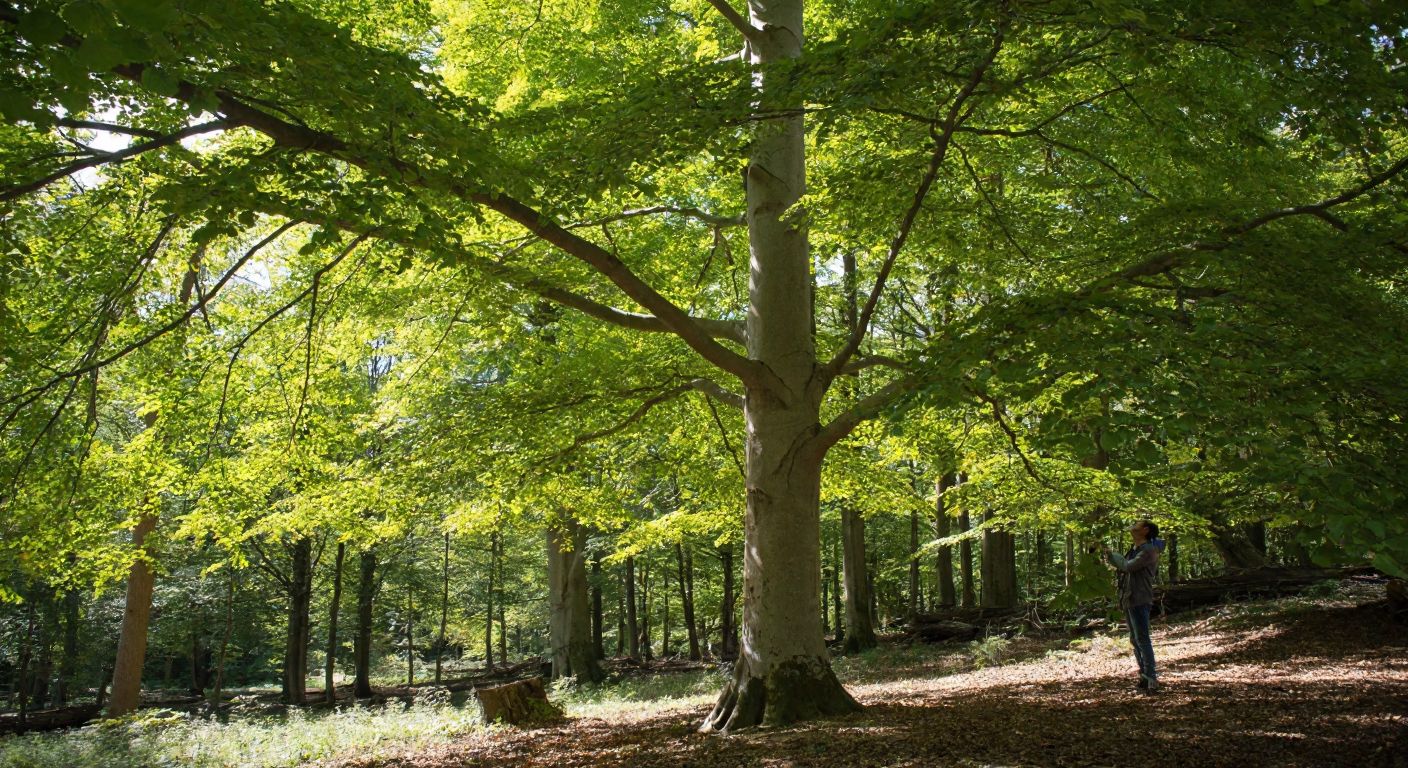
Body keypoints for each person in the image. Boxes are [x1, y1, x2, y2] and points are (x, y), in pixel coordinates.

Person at [1103, 520, 1166, 693]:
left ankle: (1151, 678)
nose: (1132, 526)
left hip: (1140, 598)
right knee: (1135, 639)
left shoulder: (1148, 551)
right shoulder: (1135, 549)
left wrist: (1111, 554)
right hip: (1129, 598)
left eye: (1136, 524)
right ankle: (1144, 676)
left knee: (1143, 639)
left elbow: (1128, 567)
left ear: (1145, 530)